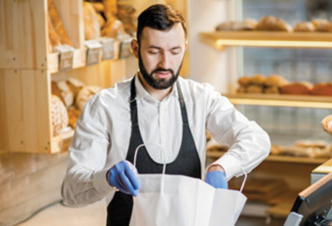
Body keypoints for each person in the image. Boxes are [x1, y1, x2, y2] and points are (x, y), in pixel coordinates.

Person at [61, 3, 270, 225]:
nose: (165, 63)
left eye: (174, 51)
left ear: (185, 48)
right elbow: (70, 191)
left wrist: (222, 167)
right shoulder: (104, 107)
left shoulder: (201, 98)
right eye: (153, 51)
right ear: (135, 49)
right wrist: (105, 178)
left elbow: (257, 139)